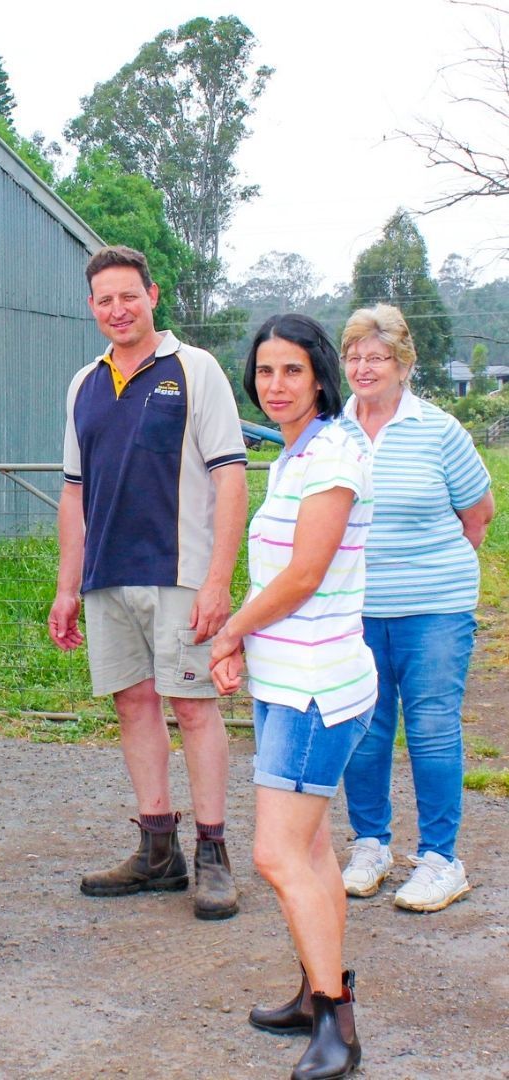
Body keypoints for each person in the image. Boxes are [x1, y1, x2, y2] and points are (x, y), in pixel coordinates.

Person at [48, 245, 248, 920]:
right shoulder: (84, 383)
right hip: (108, 575)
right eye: (104, 299)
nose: (117, 309)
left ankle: (214, 853)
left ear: (152, 295)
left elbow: (230, 475)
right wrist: (66, 586)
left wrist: (219, 579)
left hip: (180, 572)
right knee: (132, 705)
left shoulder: (195, 370)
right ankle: (157, 849)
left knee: (193, 706)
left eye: (128, 295)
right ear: (91, 307)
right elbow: (73, 493)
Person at [211, 314, 375, 1080]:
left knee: (275, 854)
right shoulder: (296, 451)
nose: (275, 386)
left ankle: (337, 1023)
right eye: (265, 372)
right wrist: (250, 644)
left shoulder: (336, 451)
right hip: (289, 679)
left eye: (291, 372)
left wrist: (229, 632)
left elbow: (306, 574)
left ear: (319, 378)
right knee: (312, 851)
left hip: (318, 688)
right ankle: (316, 994)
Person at [337, 304, 494, 912]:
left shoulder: (439, 430)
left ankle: (439, 859)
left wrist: (424, 572)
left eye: (376, 357)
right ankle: (370, 845)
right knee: (365, 732)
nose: (363, 366)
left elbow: (477, 515)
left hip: (434, 609)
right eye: (353, 355)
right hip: (356, 610)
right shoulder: (333, 428)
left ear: (404, 364)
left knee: (430, 730)